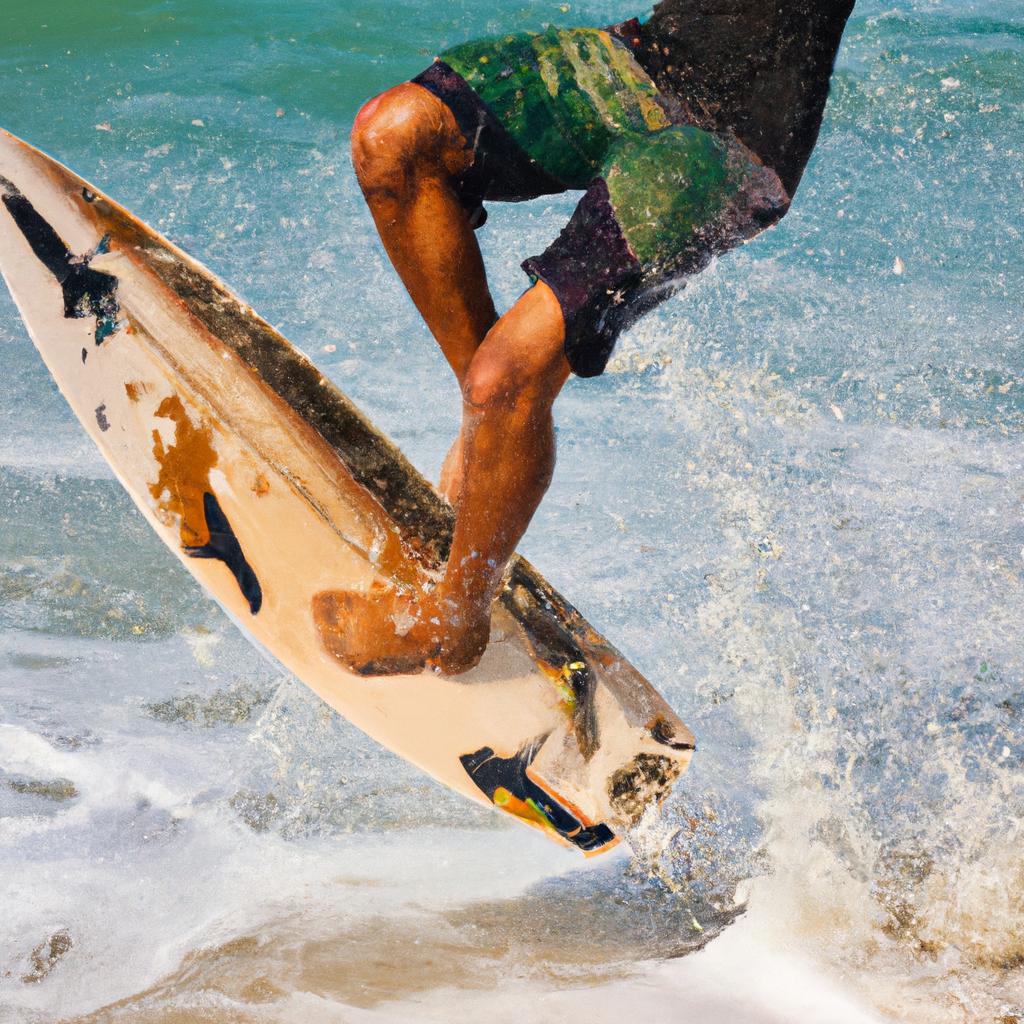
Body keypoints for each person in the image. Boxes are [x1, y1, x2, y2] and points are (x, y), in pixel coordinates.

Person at [319, 0, 856, 675]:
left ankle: (453, 624)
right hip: (638, 67)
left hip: (729, 140)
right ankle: (493, 437)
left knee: (506, 378)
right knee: (393, 136)